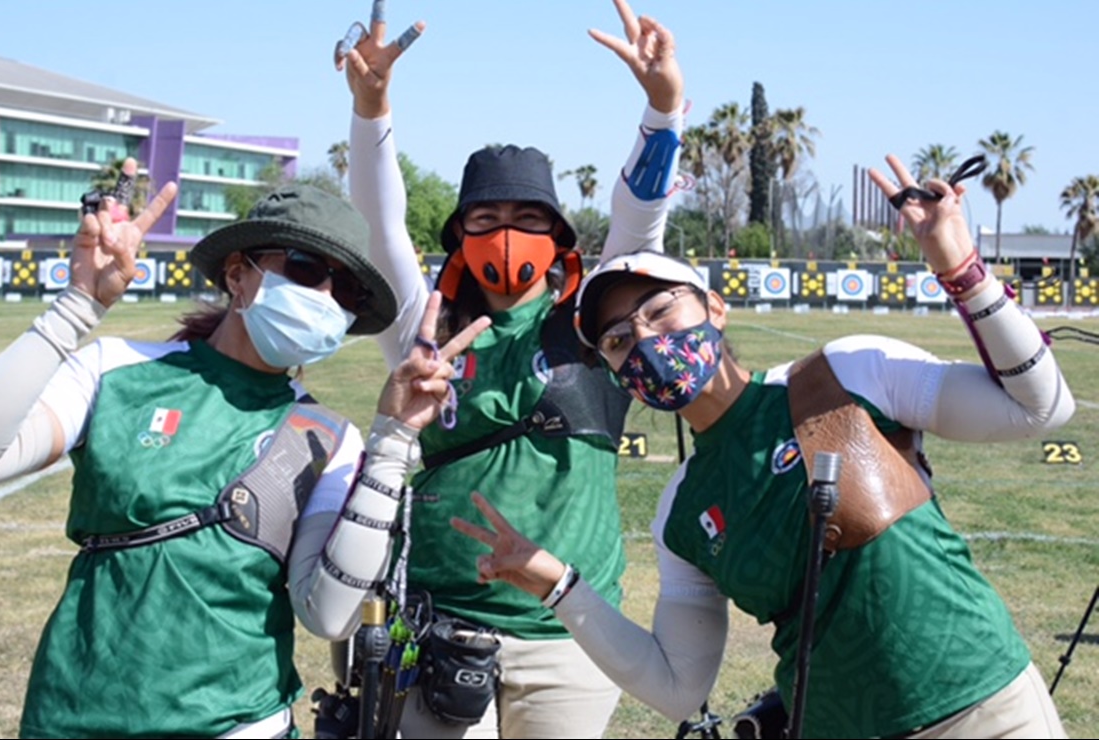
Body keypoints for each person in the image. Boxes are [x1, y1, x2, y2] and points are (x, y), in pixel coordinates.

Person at [452, 154, 1076, 739]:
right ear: (615, 374)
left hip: (987, 709)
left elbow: (1040, 406)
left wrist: (961, 270)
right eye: (618, 340)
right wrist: (556, 582)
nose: (643, 340)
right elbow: (675, 687)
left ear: (714, 308)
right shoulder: (680, 511)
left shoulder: (845, 373)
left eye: (661, 310)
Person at [0, 165, 490, 739]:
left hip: (242, 726)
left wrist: (393, 442)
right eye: (306, 268)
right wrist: (76, 307)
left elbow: (330, 613)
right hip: (73, 716)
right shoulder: (116, 370)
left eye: (346, 290)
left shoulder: (327, 434)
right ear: (237, 275)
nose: (326, 298)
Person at [336, 0, 684, 736]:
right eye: (484, 220)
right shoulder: (422, 323)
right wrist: (371, 112)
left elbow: (640, 214)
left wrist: (661, 109)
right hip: (440, 626)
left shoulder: (595, 321)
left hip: (572, 634)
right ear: (458, 234)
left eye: (528, 220)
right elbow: (378, 220)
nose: (505, 235)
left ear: (558, 238)